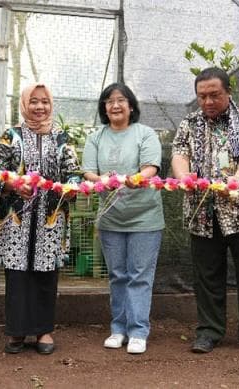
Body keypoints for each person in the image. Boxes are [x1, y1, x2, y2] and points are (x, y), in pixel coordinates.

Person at [171, 67, 239, 357]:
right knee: (207, 277)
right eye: (202, 96)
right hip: (202, 212)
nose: (207, 101)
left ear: (228, 91)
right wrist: (183, 177)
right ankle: (208, 331)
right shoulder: (189, 123)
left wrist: (238, 177)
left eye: (214, 95)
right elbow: (179, 153)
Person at [0, 83, 80, 355]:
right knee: (17, 273)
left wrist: (70, 186)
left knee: (46, 272)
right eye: (34, 101)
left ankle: (44, 331)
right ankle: (16, 331)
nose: (39, 107)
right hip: (16, 216)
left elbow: (73, 172)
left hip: (51, 216)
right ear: (24, 104)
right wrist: (13, 184)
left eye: (45, 102)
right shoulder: (10, 135)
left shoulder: (62, 138)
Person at [82, 83, 164, 354]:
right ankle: (118, 328)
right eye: (109, 101)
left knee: (140, 275)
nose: (115, 105)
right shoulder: (96, 137)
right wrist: (102, 180)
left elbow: (151, 167)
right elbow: (89, 173)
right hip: (110, 218)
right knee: (117, 275)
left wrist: (138, 178)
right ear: (104, 108)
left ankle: (139, 330)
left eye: (121, 100)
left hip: (145, 217)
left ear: (131, 106)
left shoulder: (145, 133)